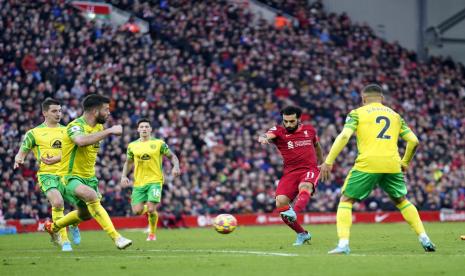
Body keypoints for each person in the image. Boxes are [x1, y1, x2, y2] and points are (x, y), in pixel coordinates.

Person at [320, 84, 436, 254]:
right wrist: (405, 162)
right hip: (392, 164)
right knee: (402, 201)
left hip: (368, 163)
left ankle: (343, 244)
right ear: (382, 98)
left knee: (346, 201)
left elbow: (344, 135)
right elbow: (414, 141)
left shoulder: (357, 113)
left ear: (363, 98)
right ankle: (424, 238)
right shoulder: (396, 116)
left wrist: (329, 161)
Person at [44, 94, 132, 250]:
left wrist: (56, 158)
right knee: (91, 195)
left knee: (85, 215)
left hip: (89, 178)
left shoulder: (98, 127)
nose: (109, 113)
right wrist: (110, 131)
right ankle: (117, 238)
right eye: (106, 109)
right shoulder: (75, 126)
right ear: (95, 111)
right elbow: (80, 141)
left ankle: (53, 227)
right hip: (70, 177)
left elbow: (71, 150)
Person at [14, 98, 80, 252]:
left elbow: (75, 152)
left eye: (60, 110)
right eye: (54, 111)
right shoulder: (34, 133)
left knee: (81, 205)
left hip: (67, 174)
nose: (59, 114)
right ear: (44, 113)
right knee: (57, 203)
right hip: (47, 175)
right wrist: (19, 158)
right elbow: (22, 150)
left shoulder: (66, 131)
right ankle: (65, 241)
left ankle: (74, 224)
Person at [258, 106, 324, 246]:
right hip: (290, 172)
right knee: (280, 202)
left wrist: (323, 164)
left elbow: (317, 146)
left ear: (299, 119)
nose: (288, 124)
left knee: (305, 186)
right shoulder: (278, 130)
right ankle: (302, 234)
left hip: (309, 169)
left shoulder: (310, 130)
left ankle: (295, 211)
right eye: (285, 121)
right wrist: (263, 138)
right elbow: (266, 135)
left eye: (292, 121)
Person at [121, 118, 181, 241]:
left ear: (151, 129)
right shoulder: (132, 145)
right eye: (142, 127)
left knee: (151, 208)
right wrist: (123, 175)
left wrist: (176, 166)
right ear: (138, 129)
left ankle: (152, 233)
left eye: (146, 127)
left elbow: (172, 156)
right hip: (138, 182)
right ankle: (148, 212)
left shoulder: (159, 143)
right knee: (137, 211)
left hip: (155, 181)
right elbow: (128, 162)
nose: (144, 129)